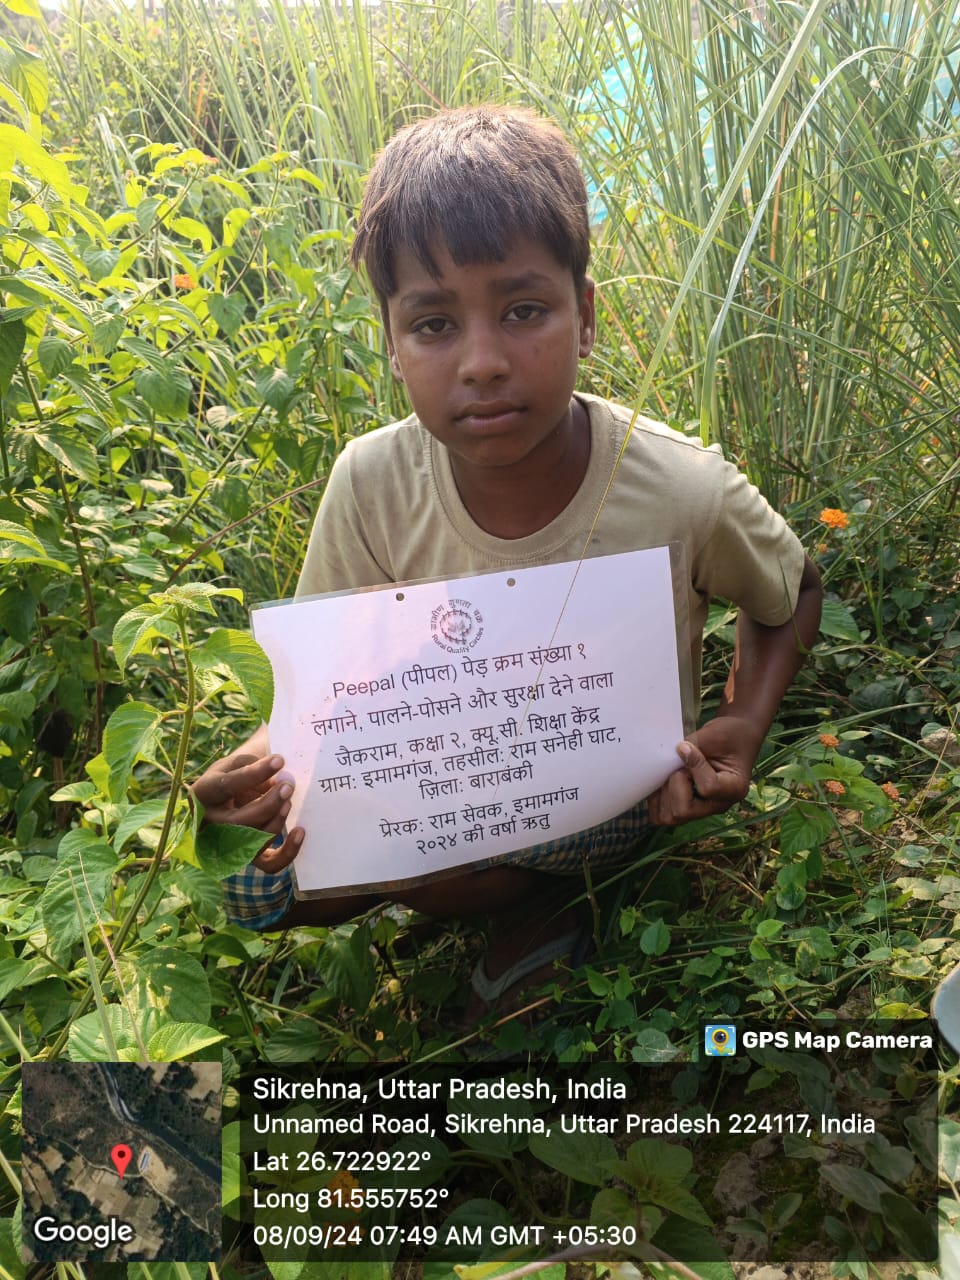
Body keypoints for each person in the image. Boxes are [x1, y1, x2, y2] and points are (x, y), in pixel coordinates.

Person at [192, 105, 822, 1018]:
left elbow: (794, 590)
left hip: (607, 801)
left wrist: (745, 720)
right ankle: (471, 891)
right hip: (436, 771)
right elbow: (329, 696)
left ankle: (533, 909)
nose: (483, 362)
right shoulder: (370, 480)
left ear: (587, 315)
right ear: (392, 343)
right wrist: (256, 773)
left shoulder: (681, 489)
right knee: (252, 889)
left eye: (523, 310)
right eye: (435, 324)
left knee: (447, 867)